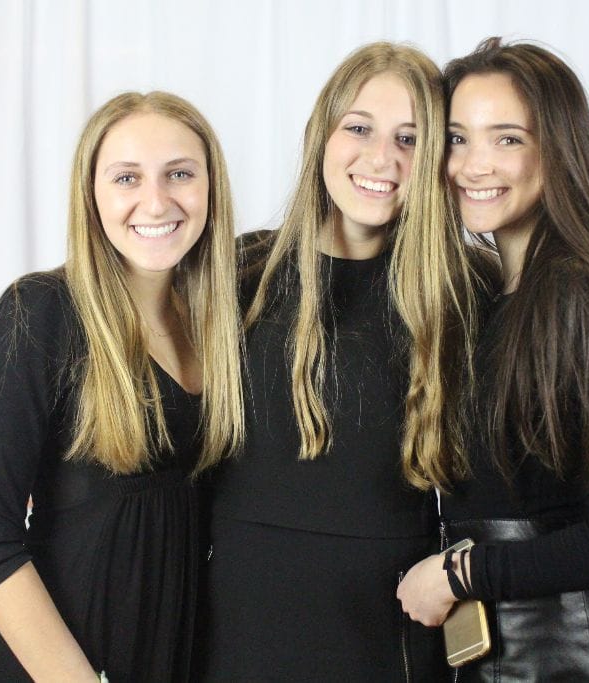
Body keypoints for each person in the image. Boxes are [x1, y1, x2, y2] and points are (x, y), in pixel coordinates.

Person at [396, 37, 589, 681]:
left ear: (557, 150)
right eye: (457, 138)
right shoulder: (488, 295)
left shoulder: (575, 295)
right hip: (489, 649)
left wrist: (458, 573)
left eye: (507, 139)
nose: (473, 165)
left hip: (559, 656)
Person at [197, 42, 478, 681]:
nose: (381, 158)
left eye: (409, 138)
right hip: (242, 628)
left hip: (393, 630)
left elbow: (537, 444)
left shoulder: (464, 291)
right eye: (359, 128)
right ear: (320, 135)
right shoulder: (238, 273)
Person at [0, 91, 244, 682]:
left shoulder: (219, 323)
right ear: (91, 195)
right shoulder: (40, 313)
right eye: (127, 177)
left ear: (211, 188)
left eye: (180, 174)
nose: (155, 201)